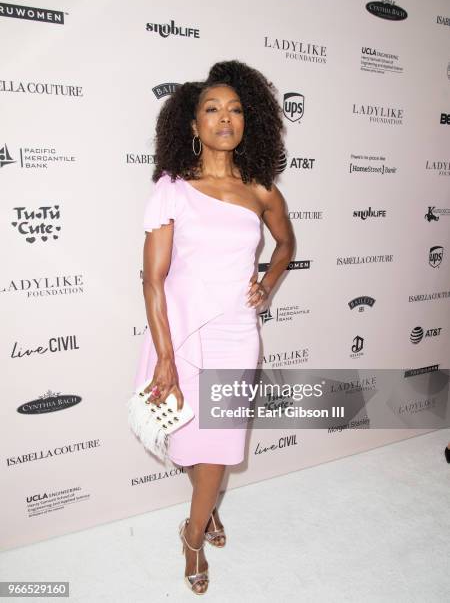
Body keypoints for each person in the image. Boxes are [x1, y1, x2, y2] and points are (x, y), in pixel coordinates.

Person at [134, 60, 295, 595]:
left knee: (219, 445)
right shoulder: (172, 189)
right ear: (193, 124)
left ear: (249, 122)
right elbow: (153, 281)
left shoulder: (261, 188)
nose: (225, 118)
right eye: (212, 109)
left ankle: (193, 533)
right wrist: (162, 357)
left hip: (236, 332)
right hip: (179, 332)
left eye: (235, 109)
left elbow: (286, 244)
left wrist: (268, 281)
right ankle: (208, 511)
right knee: (191, 439)